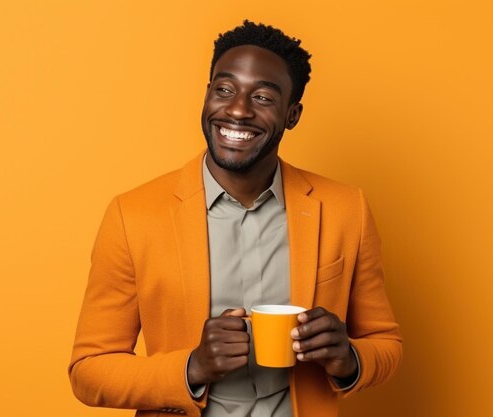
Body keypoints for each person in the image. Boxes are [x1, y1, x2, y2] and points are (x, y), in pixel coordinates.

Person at [69, 20, 402, 417]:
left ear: (292, 114)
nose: (238, 110)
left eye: (262, 97)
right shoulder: (133, 215)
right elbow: (88, 371)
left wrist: (350, 360)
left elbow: (386, 343)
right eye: (224, 90)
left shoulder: (346, 209)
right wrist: (192, 367)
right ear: (206, 95)